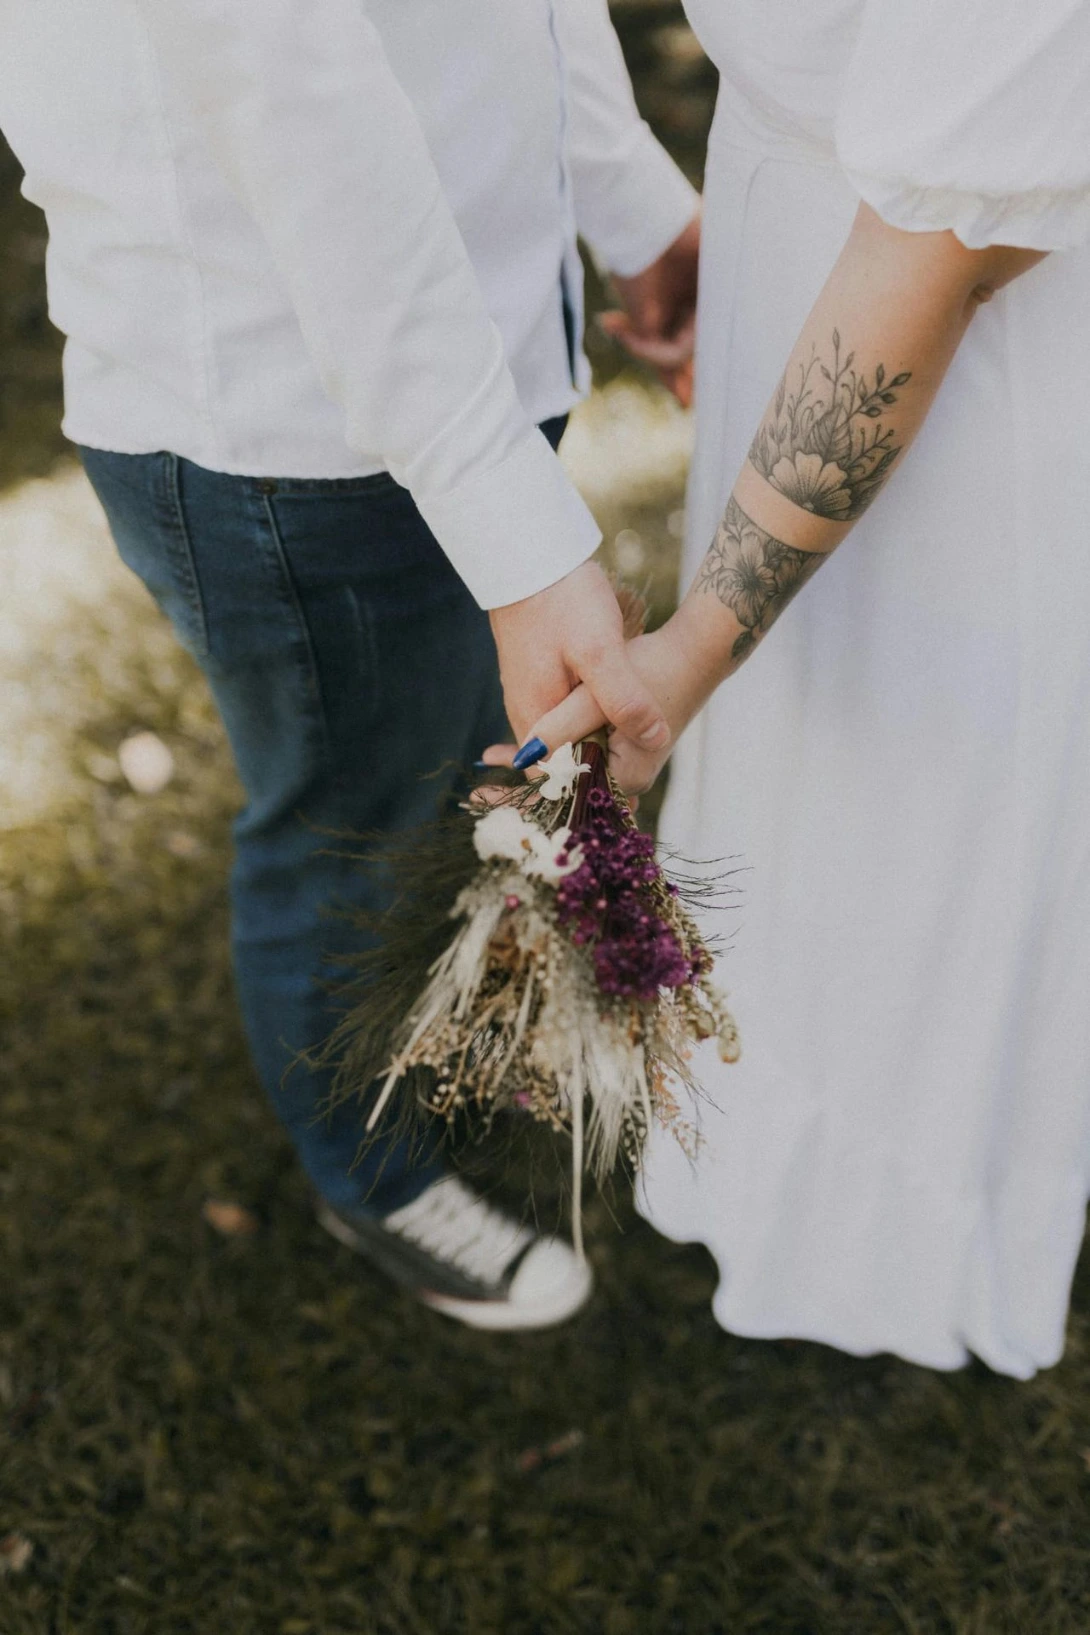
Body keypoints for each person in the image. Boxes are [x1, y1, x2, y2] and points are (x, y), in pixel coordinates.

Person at [0, 0, 700, 1330]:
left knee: (428, 771)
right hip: (298, 429)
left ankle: (441, 1019)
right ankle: (367, 1169)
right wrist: (511, 531)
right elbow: (292, 96)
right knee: (347, 827)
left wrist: (630, 204)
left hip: (462, 355)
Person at [511, 0, 1090, 1375]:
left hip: (966, 314)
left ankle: (925, 1196)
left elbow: (938, 250)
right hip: (810, 217)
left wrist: (694, 645)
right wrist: (680, 220)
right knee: (824, 743)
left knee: (931, 757)